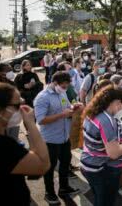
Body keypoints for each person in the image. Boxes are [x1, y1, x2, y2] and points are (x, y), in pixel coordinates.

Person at [80, 85, 122, 206]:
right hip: (101, 169)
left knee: (100, 198)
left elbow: (103, 138)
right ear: (117, 102)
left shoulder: (95, 112)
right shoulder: (106, 120)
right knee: (105, 201)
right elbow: (114, 153)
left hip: (90, 164)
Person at [34, 72, 83, 205]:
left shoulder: (62, 93)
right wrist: (62, 115)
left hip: (64, 138)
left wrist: (74, 108)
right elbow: (41, 120)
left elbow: (67, 108)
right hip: (50, 140)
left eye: (67, 86)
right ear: (54, 83)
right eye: (63, 85)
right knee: (49, 168)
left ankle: (64, 188)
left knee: (65, 164)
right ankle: (49, 193)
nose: (65, 88)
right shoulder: (42, 97)